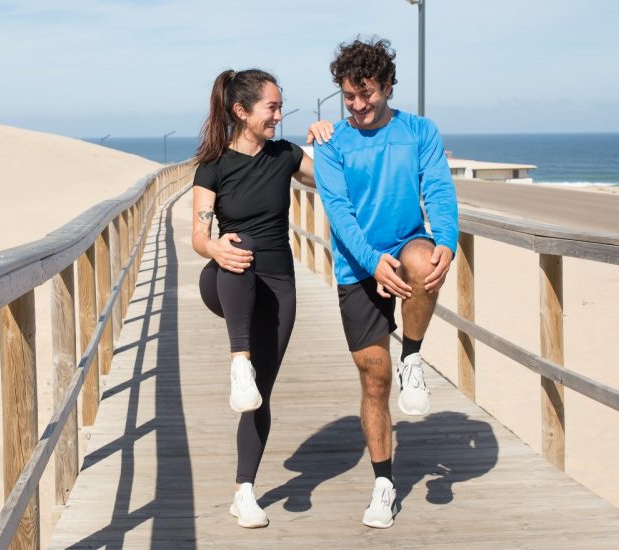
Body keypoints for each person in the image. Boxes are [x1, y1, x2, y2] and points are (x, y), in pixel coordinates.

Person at [306, 38, 458, 529]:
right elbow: (339, 213)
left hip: (406, 243)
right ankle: (384, 482)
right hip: (358, 267)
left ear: (388, 86)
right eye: (349, 96)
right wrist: (373, 263)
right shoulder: (332, 144)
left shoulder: (419, 131)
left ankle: (412, 354)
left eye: (367, 94)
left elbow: (436, 187)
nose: (358, 105)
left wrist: (448, 241)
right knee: (374, 379)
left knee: (424, 259)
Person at [191, 68, 315, 528]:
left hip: (278, 285)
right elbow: (199, 237)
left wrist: (331, 136)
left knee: (258, 396)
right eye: (272, 107)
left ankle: (244, 491)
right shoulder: (214, 166)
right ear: (242, 112)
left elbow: (331, 181)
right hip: (226, 278)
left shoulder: (285, 156)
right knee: (238, 245)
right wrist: (215, 247)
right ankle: (238, 358)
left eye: (281, 107)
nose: (279, 116)